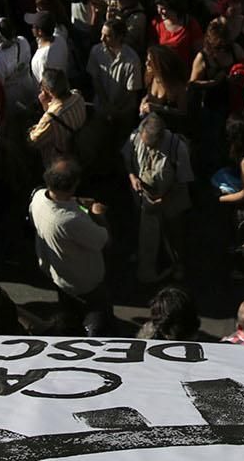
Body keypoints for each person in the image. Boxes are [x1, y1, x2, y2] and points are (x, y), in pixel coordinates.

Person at [29, 159, 111, 336]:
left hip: (59, 276)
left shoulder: (38, 198)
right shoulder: (70, 220)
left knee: (69, 317)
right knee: (97, 321)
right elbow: (102, 239)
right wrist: (98, 214)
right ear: (73, 185)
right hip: (84, 282)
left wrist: (78, 202)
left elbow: (63, 202)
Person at [122, 113, 193, 284]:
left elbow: (182, 182)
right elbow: (127, 160)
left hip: (171, 196)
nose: (147, 148)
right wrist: (133, 177)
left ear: (160, 139)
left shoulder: (178, 148)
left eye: (151, 145)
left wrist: (164, 199)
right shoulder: (135, 137)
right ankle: (146, 255)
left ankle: (178, 263)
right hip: (144, 195)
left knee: (174, 230)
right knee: (144, 227)